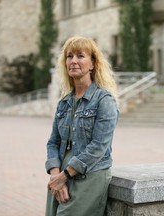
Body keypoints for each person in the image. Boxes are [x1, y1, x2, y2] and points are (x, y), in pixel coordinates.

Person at [45, 36, 119, 216]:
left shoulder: (104, 100)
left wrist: (64, 176)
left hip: (89, 176)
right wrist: (56, 175)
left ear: (93, 63)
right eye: (69, 56)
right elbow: (53, 142)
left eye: (80, 56)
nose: (74, 61)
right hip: (61, 174)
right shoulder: (64, 102)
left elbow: (99, 147)